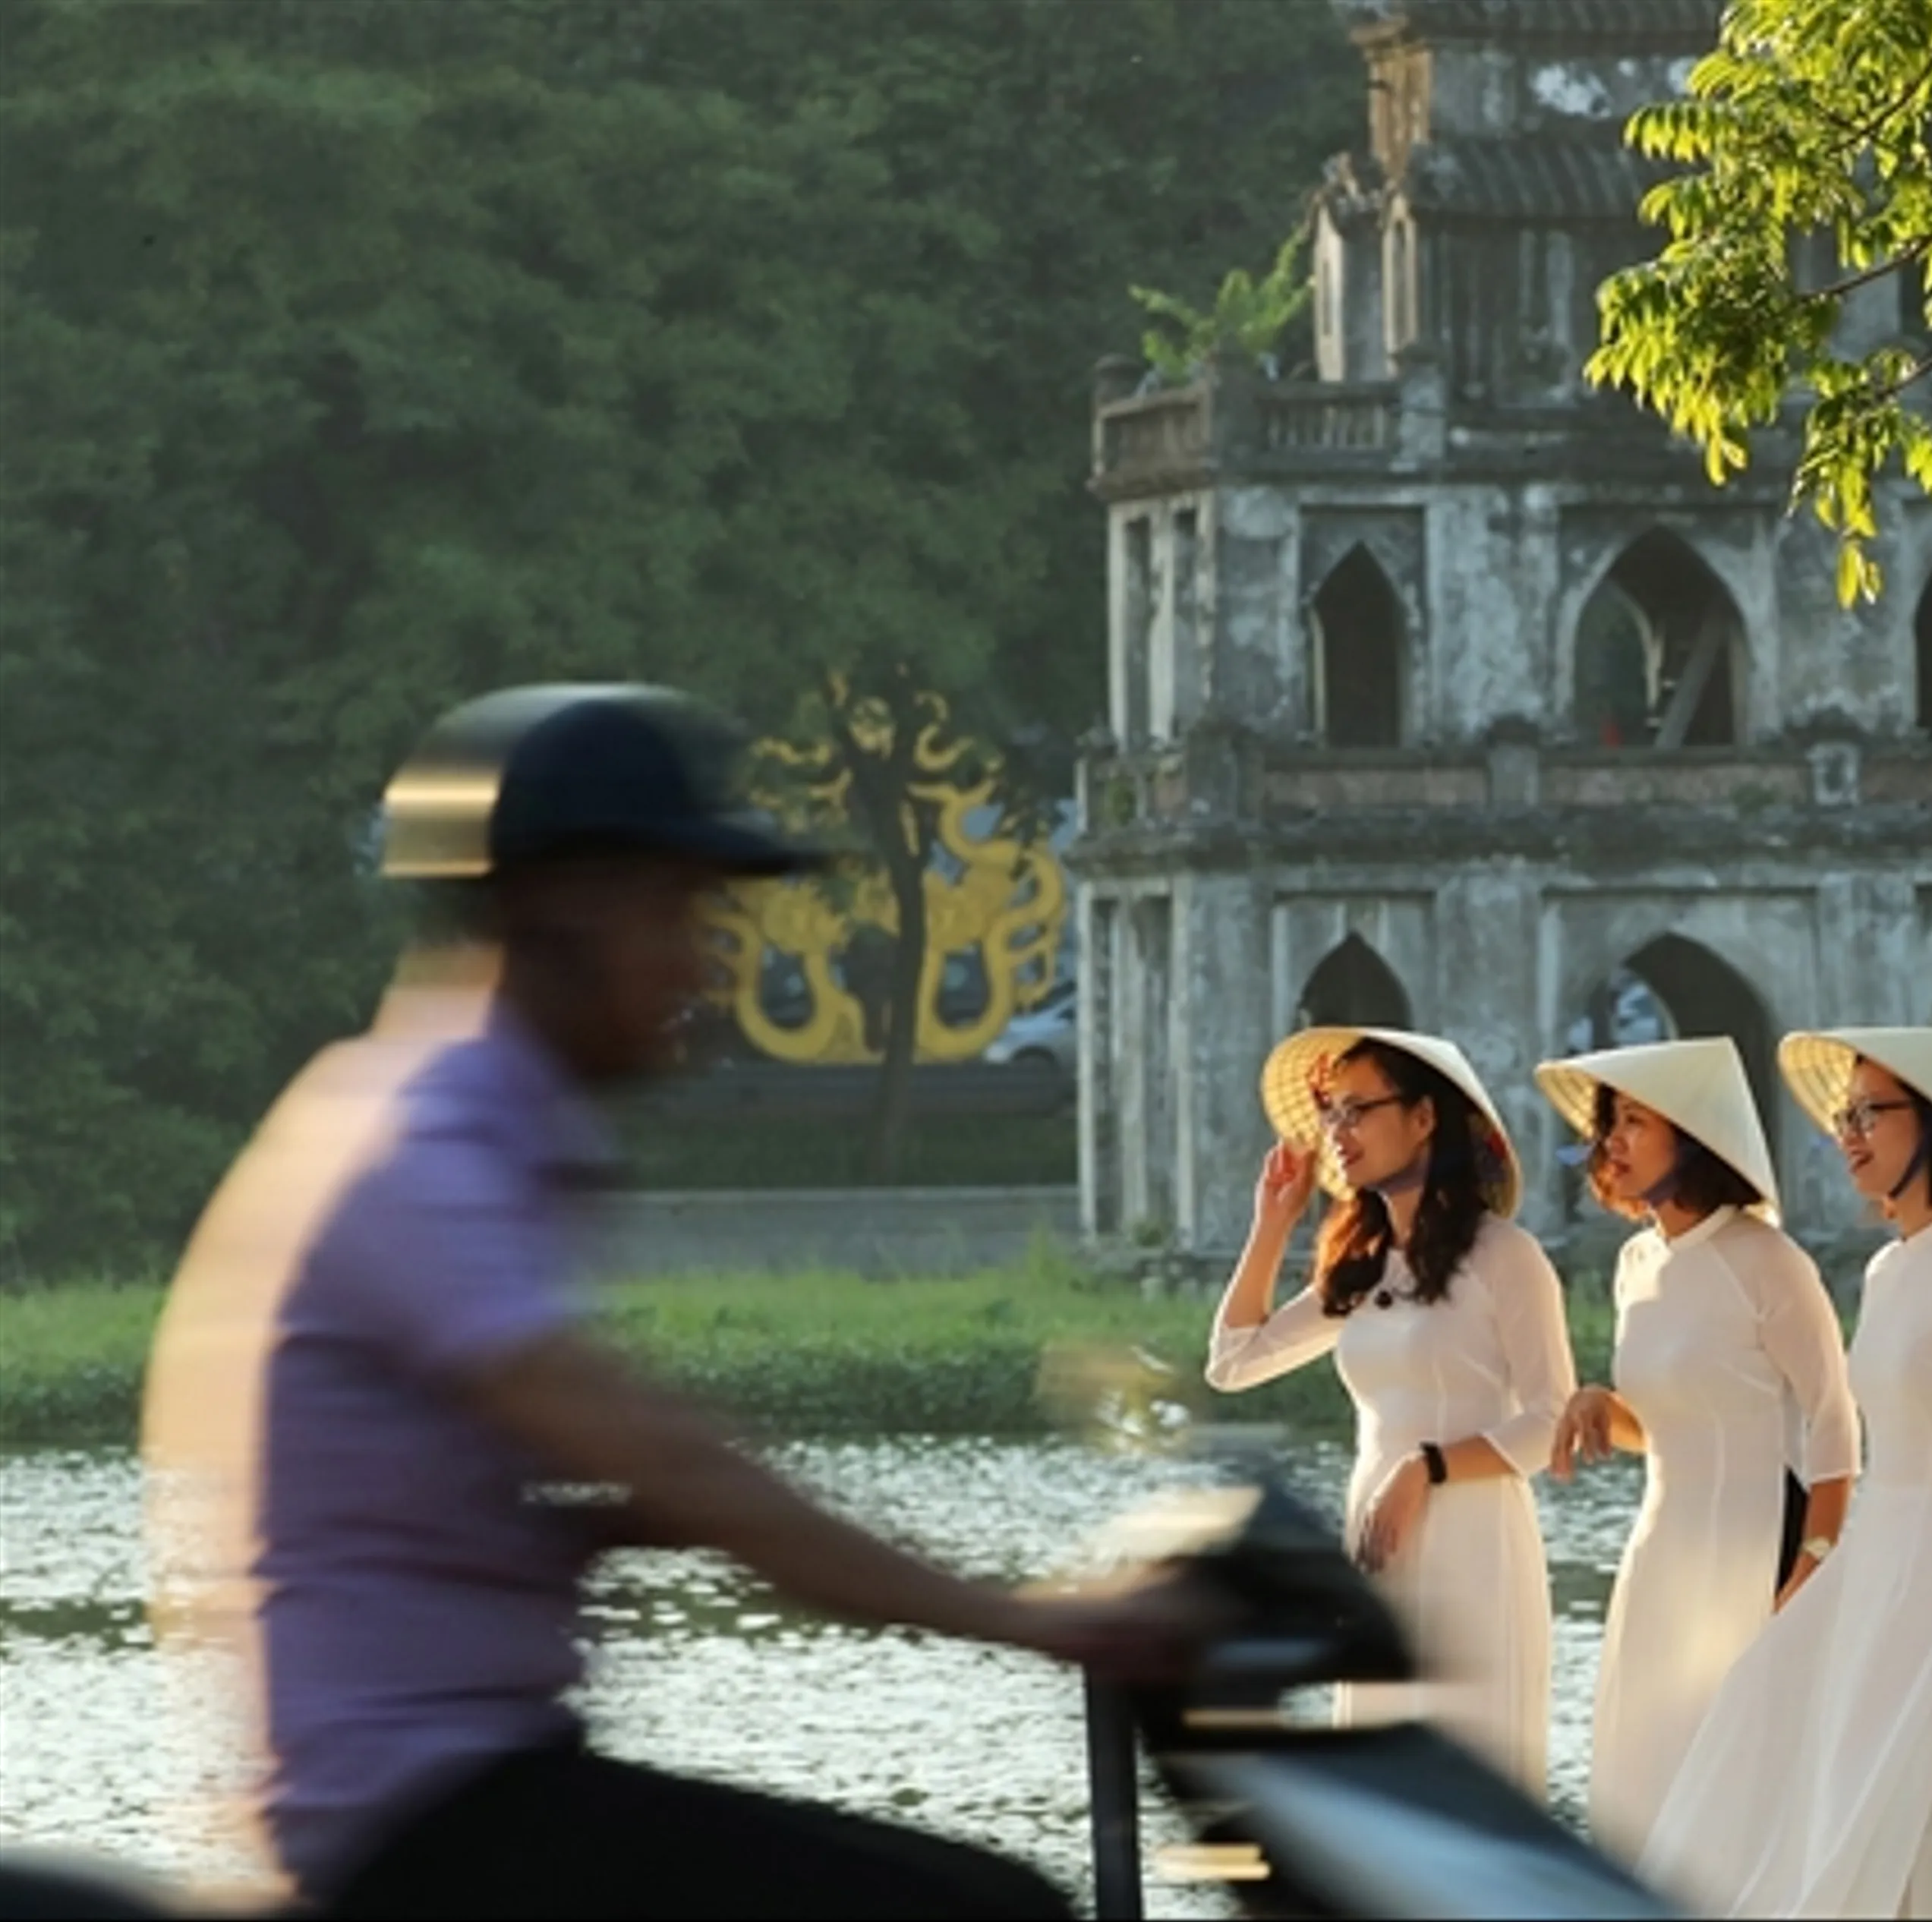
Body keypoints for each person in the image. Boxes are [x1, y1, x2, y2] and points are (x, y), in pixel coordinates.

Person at [140, 686, 1202, 1921]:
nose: (707, 957)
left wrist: (633, 1519)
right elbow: (664, 1452)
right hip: (419, 1830)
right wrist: (1039, 1617)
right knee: (986, 1914)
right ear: (564, 908)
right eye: (678, 908)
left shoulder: (479, 1126)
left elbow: (589, 1478)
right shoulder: (420, 1141)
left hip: (475, 1797)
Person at [1637, 1027, 1932, 1920]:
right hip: (1883, 1560)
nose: (1849, 1132)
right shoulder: (1890, 1267)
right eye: (1844, 1113)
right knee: (1814, 1760)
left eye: (1872, 1113)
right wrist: (1830, 1559)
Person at [1204, 1025, 1577, 1792]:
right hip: (1379, 1550)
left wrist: (1425, 1468)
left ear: (1423, 1117)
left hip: (1474, 1544)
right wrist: (1271, 1226)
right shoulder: (1362, 1268)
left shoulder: (1507, 1258)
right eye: (1330, 1113)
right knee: (1387, 1784)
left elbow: (1549, 1423)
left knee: (1474, 1786)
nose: (1337, 1134)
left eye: (1357, 1110)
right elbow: (1232, 1363)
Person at [1536, 1038, 1859, 1866]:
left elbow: (1834, 1426)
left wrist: (1815, 1564)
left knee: (1741, 1794)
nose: (1612, 1141)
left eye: (1634, 1121)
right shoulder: (1636, 1263)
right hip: (1661, 1555)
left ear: (1695, 1134)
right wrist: (1604, 1406)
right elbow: (1667, 1422)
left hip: (1757, 1551)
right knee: (1645, 1781)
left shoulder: (1768, 1262)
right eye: (1610, 1123)